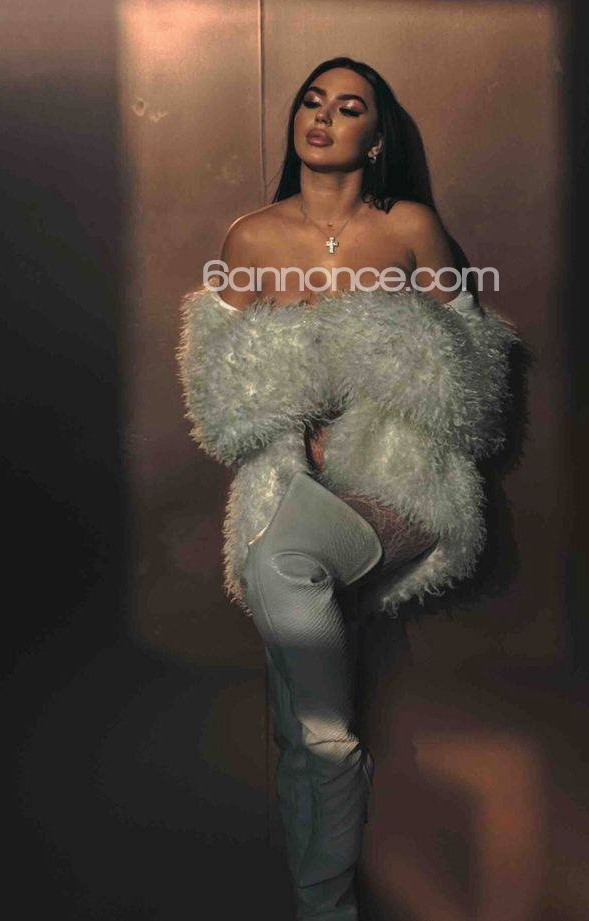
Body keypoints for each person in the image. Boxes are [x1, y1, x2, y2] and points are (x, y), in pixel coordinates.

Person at [177, 57, 518, 920]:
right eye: (312, 101)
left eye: (349, 106)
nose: (322, 116)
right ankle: (325, 901)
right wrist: (302, 390)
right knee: (302, 723)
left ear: (375, 138)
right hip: (293, 486)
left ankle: (329, 810)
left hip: (400, 483)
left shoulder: (410, 227)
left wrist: (364, 371)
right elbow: (223, 399)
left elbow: (474, 382)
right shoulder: (250, 239)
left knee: (283, 577)